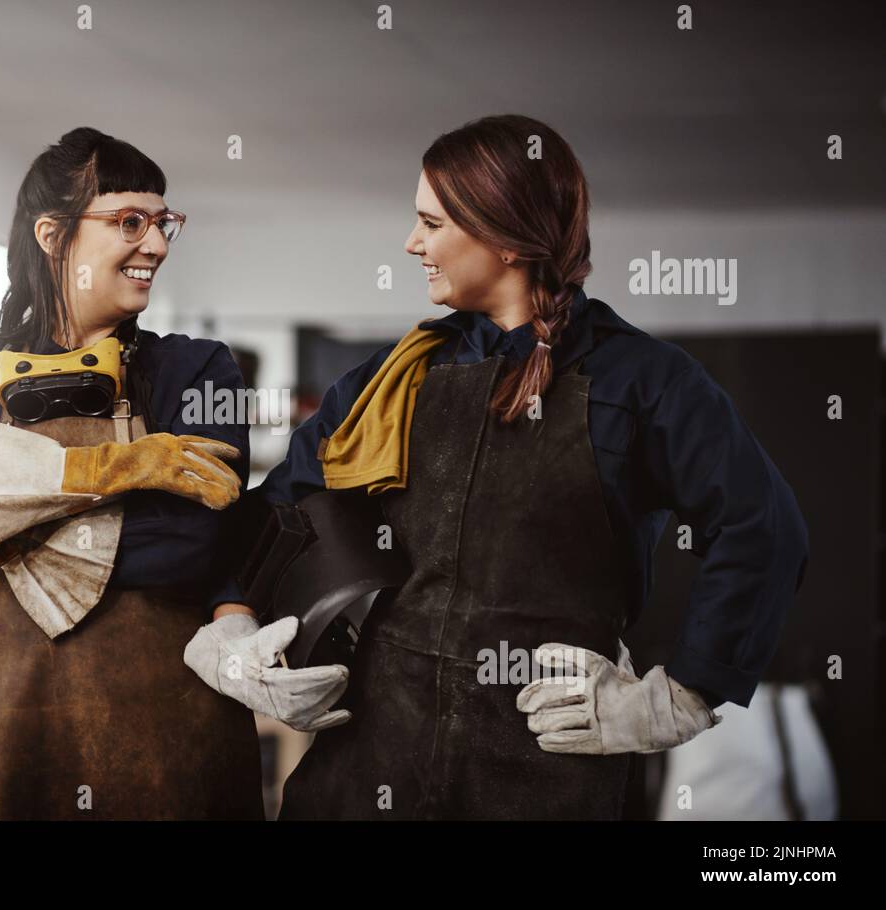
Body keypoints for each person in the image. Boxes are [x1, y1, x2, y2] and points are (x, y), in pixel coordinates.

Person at [188, 114, 810, 820]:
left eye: (432, 223)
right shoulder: (396, 377)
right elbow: (279, 515)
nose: (411, 243)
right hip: (368, 771)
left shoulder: (644, 383)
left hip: (548, 774)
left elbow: (762, 527)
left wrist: (683, 695)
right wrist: (233, 629)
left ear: (505, 238)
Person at [0, 127, 272, 819]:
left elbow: (191, 543)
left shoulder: (196, 370)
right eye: (130, 222)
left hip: (163, 763)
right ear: (54, 237)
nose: (157, 245)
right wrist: (114, 469)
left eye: (164, 222)